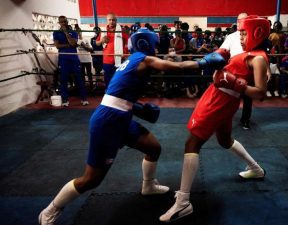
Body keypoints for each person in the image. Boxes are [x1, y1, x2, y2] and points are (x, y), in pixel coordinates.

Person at [38, 27, 229, 225]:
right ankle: (50, 210)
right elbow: (178, 68)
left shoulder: (131, 60)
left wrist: (137, 108)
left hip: (120, 116)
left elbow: (117, 92)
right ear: (146, 43)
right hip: (108, 121)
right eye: (153, 43)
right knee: (91, 179)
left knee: (153, 148)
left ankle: (148, 186)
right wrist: (204, 62)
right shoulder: (143, 59)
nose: (156, 47)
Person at [159, 15, 270, 223]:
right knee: (224, 139)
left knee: (192, 143)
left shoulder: (259, 58)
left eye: (245, 33)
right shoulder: (249, 52)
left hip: (220, 101)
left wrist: (235, 83)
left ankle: (183, 202)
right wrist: (219, 55)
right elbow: (226, 55)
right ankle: (256, 169)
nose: (242, 37)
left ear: (257, 33)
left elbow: (261, 93)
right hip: (220, 97)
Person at [219, 12, 253, 130]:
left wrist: (266, 70)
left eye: (242, 20)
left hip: (249, 71)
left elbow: (260, 55)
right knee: (228, 96)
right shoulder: (231, 36)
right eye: (238, 20)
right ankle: (223, 119)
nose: (240, 22)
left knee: (248, 98)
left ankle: (245, 120)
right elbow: (222, 51)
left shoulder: (253, 37)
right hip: (233, 70)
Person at [53, 16, 88, 107]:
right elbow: (57, 46)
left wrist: (66, 34)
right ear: (59, 23)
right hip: (63, 59)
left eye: (65, 21)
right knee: (63, 80)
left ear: (67, 22)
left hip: (74, 59)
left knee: (79, 79)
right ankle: (65, 99)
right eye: (61, 22)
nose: (63, 23)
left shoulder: (73, 32)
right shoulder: (56, 33)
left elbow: (74, 43)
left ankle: (84, 98)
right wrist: (68, 44)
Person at [96, 13, 129, 89]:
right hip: (107, 60)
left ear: (116, 21)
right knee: (108, 80)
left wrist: (125, 55)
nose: (111, 21)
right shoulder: (103, 31)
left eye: (113, 20)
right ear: (107, 21)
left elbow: (127, 44)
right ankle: (109, 96)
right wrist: (101, 40)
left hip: (119, 60)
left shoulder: (122, 31)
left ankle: (118, 97)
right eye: (109, 20)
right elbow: (97, 43)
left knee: (119, 80)